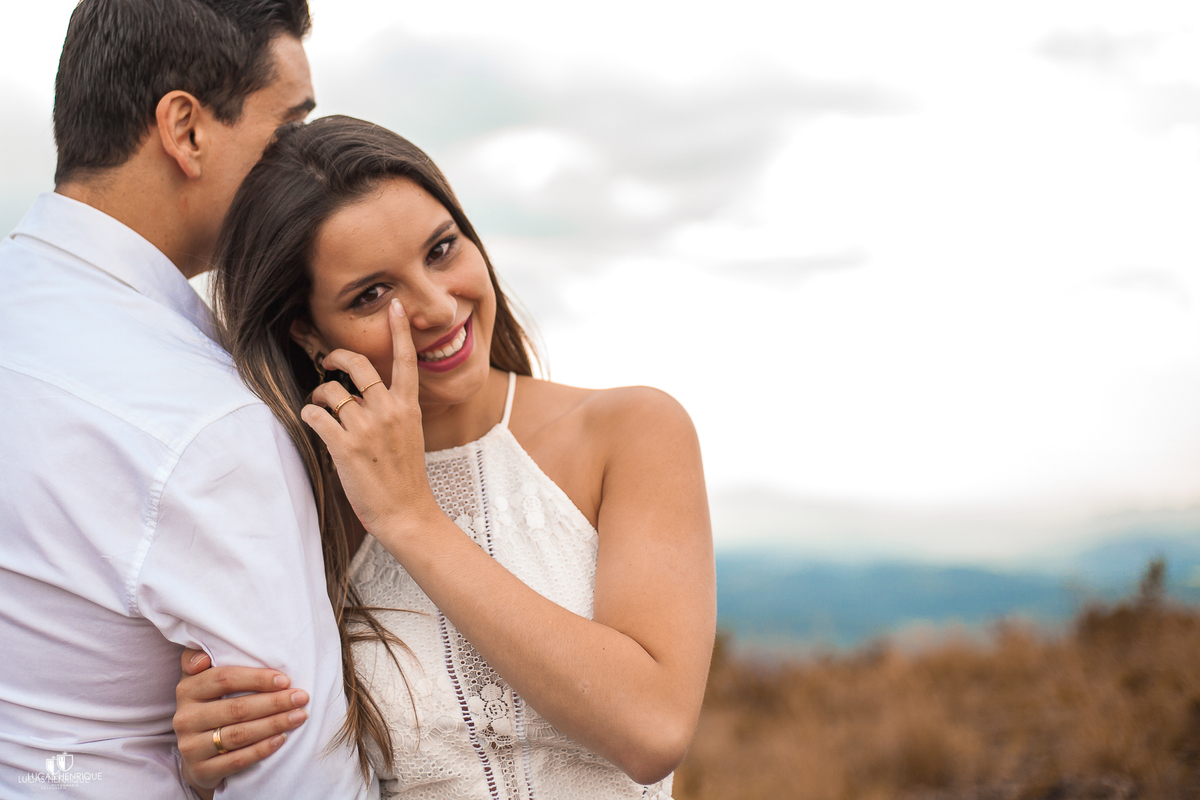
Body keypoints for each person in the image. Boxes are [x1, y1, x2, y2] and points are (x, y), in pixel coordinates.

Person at [170, 115, 717, 798]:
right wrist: (203, 765)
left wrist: (412, 519)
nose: (434, 305)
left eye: (440, 250)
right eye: (373, 294)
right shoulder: (299, 499)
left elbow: (652, 728)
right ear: (309, 332)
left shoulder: (630, 432)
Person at [0, 2, 373, 798]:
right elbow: (299, 776)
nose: (297, 166)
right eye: (286, 130)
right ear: (186, 130)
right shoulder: (202, 422)